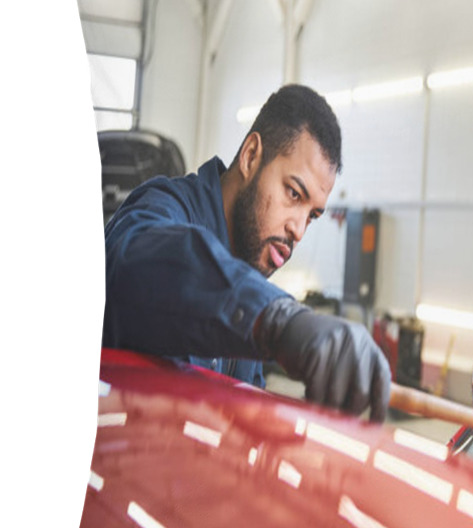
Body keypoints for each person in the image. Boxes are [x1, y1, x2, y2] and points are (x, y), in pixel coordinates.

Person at [103, 84, 391, 420]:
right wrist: (277, 319)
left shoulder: (250, 270)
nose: (298, 229)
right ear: (251, 156)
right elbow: (141, 261)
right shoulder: (164, 208)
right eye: (294, 194)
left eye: (311, 215)